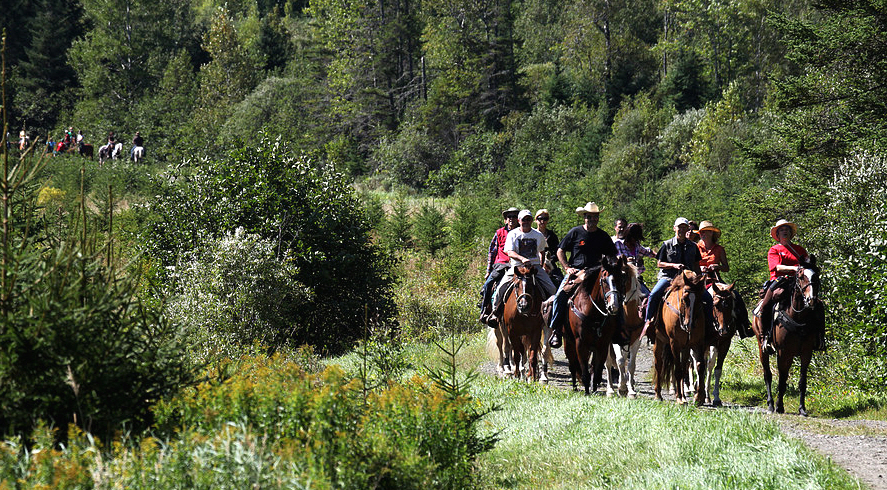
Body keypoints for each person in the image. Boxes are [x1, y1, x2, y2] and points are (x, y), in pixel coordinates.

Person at [547, 202, 618, 348]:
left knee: (616, 295)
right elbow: (560, 250)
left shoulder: (603, 236)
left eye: (595, 217)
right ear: (584, 217)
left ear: (598, 218)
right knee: (560, 296)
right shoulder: (575, 232)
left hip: (597, 273)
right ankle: (556, 330)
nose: (592, 220)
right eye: (589, 217)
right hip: (576, 272)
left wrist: (613, 266)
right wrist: (567, 267)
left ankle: (619, 331)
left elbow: (612, 255)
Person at [489, 210, 558, 320]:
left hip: (534, 267)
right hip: (517, 267)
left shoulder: (538, 235)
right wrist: (522, 259)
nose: (526, 222)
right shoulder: (513, 234)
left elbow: (542, 251)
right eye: (523, 219)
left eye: (528, 219)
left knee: (552, 288)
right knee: (500, 288)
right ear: (519, 221)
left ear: (531, 220)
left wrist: (540, 265)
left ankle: (552, 315)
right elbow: (510, 252)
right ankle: (495, 312)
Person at [644, 217, 709, 333]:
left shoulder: (693, 246)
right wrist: (674, 265)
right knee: (654, 294)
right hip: (669, 277)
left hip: (689, 279)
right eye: (680, 227)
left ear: (688, 229)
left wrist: (700, 279)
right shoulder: (667, 244)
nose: (682, 230)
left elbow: (696, 264)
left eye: (684, 227)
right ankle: (648, 321)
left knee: (707, 298)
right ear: (674, 228)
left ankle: (710, 325)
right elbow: (659, 263)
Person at [757, 219, 810, 354]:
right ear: (778, 234)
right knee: (766, 305)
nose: (784, 231)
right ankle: (765, 337)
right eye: (781, 230)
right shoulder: (774, 249)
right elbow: (776, 267)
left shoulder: (799, 249)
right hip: (780, 280)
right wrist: (794, 268)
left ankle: (818, 338)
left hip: (799, 281)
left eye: (786, 229)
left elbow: (807, 263)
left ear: (790, 233)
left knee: (817, 303)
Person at [696, 220, 752, 337]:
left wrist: (717, 266)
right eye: (701, 232)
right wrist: (700, 268)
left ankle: (744, 326)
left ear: (711, 233)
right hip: (699, 279)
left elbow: (726, 268)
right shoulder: (696, 247)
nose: (702, 234)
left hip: (715, 279)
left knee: (735, 295)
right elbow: (691, 264)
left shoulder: (719, 249)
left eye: (705, 232)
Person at [480, 207, 520, 323]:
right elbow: (492, 252)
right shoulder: (499, 233)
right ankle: (485, 311)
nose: (511, 219)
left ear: (518, 219)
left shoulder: (522, 232)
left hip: (516, 264)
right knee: (488, 285)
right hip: (501, 264)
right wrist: (488, 271)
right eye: (509, 217)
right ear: (505, 220)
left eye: (514, 216)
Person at [615, 222, 656, 297]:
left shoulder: (637, 246)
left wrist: (659, 256)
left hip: (636, 280)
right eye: (633, 239)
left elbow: (647, 252)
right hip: (622, 279)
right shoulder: (617, 244)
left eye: (637, 239)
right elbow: (610, 259)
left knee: (647, 296)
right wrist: (624, 261)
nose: (634, 241)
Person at [534, 209, 563, 284]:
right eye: (540, 219)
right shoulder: (532, 234)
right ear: (536, 220)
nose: (542, 221)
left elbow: (557, 252)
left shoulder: (552, 235)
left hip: (550, 264)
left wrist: (550, 260)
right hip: (534, 263)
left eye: (545, 219)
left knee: (560, 281)